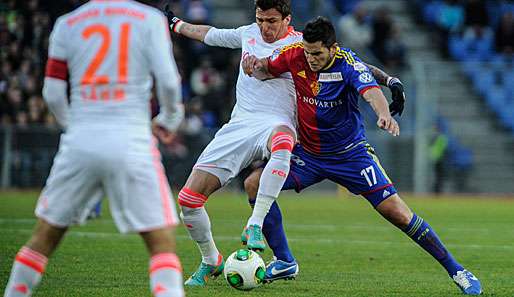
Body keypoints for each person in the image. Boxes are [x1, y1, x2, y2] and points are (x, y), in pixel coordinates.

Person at [163, 0, 404, 287]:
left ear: (287, 19)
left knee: (282, 141)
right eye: (260, 19)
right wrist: (177, 25)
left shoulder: (301, 45)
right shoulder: (247, 34)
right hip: (240, 124)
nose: (264, 27)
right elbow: (209, 33)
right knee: (188, 201)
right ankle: (210, 259)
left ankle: (255, 224)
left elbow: (354, 64)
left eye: (271, 21)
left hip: (278, 122)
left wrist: (388, 80)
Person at [241, 17, 482, 295]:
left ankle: (458, 270)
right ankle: (284, 260)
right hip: (308, 154)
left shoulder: (348, 64)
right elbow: (265, 69)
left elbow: (370, 91)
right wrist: (253, 66)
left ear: (333, 48)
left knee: (399, 214)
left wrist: (383, 115)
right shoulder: (295, 55)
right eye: (308, 52)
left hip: (351, 156)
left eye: (317, 53)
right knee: (254, 183)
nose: (311, 59)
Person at [3, 1, 185, 296]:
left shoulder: (67, 23)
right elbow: (168, 82)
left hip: (81, 138)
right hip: (131, 138)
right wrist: (169, 119)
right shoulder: (149, 19)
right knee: (160, 242)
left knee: (44, 236)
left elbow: (52, 92)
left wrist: (74, 126)